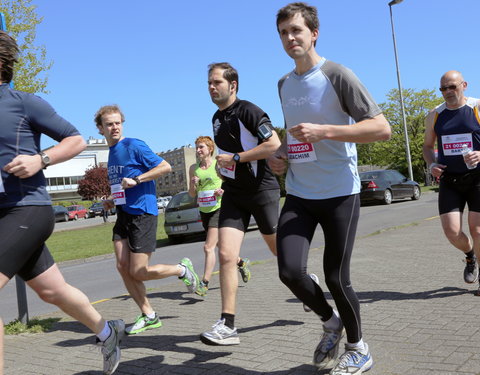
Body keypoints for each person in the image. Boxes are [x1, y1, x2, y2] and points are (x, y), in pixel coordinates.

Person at [269, 3, 391, 374]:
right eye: (284, 33)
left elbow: (380, 128)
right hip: (300, 192)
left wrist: (326, 132)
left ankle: (358, 348)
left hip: (340, 191)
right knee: (289, 271)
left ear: (313, 33)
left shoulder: (337, 74)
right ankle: (330, 321)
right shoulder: (284, 83)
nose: (290, 38)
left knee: (337, 277)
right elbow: (296, 136)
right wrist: (282, 155)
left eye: (296, 31)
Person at [0, 30, 124, 375]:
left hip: (27, 208)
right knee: (52, 292)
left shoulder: (23, 103)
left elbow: (75, 140)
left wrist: (41, 160)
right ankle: (106, 331)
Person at [94, 105, 200, 335]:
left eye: (117, 123)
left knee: (139, 271)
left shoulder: (133, 145)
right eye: (109, 124)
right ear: (100, 128)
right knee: (123, 267)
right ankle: (149, 315)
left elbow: (165, 166)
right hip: (124, 213)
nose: (114, 127)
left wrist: (138, 179)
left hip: (143, 213)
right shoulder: (112, 153)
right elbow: (123, 185)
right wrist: (112, 199)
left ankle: (181, 270)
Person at [200, 62, 281, 345]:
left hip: (261, 190)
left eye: (217, 82)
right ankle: (228, 324)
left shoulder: (249, 110)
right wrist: (225, 169)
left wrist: (236, 159)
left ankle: (306, 280)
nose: (211, 87)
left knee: (280, 254)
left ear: (232, 85)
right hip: (233, 193)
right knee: (226, 256)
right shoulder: (215, 118)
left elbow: (274, 144)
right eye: (209, 83)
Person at [423, 70, 480, 293]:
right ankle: (470, 257)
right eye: (443, 89)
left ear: (464, 85)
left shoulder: (476, 108)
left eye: (452, 87)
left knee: (477, 230)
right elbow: (427, 147)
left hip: (477, 177)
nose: (447, 92)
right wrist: (431, 165)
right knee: (452, 232)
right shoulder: (435, 115)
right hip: (450, 179)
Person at [187, 136, 251, 297]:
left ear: (210, 149)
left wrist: (223, 191)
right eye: (196, 147)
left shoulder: (218, 164)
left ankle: (204, 283)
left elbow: (230, 183)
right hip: (204, 211)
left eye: (201, 147)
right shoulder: (193, 168)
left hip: (219, 208)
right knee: (222, 248)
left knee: (208, 247)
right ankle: (242, 263)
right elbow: (191, 194)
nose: (198, 150)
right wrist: (193, 184)